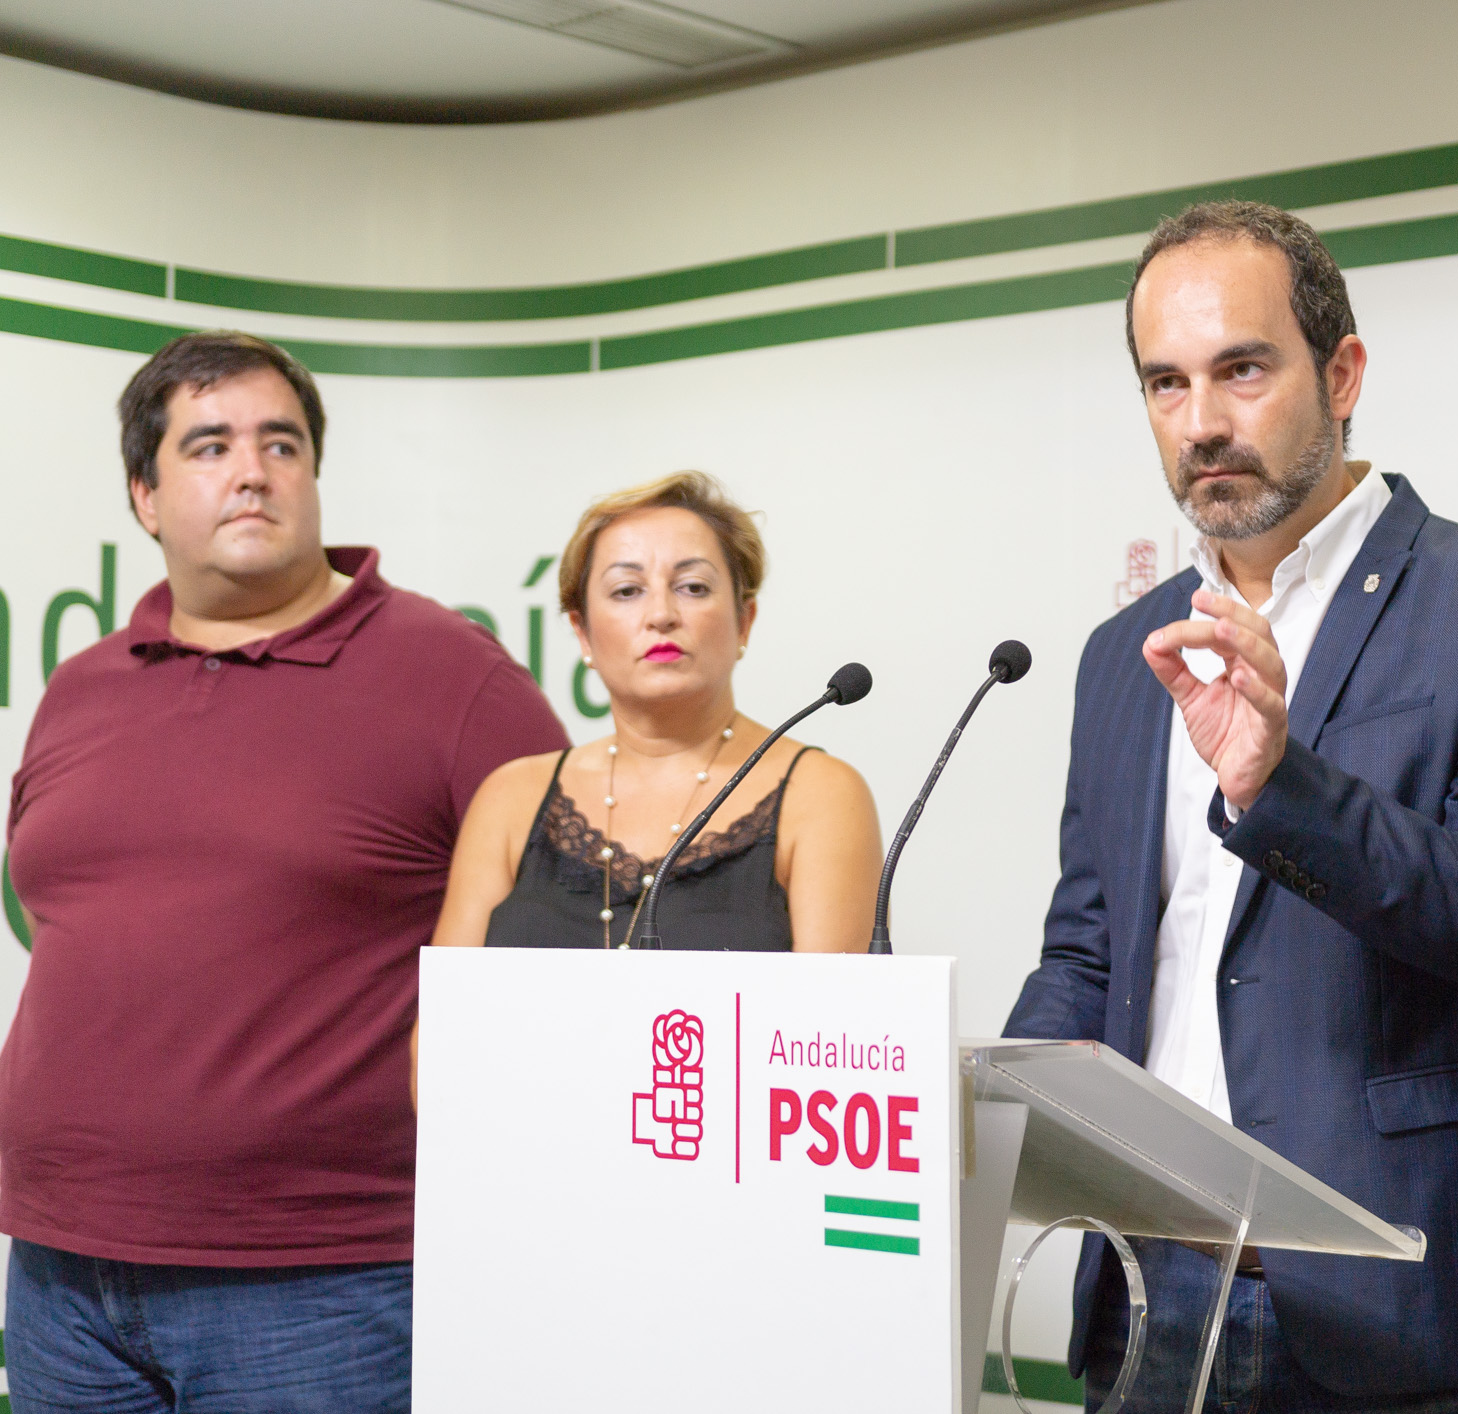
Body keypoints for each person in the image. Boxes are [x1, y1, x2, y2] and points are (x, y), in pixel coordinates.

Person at [1005, 201, 1458, 1412]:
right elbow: (1090, 947)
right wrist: (996, 1093)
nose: (1202, 422)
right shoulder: (1122, 651)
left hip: (1414, 1305)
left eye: (1242, 369)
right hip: (1150, 1288)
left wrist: (1282, 787)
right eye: (1166, 383)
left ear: (1342, 373)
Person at [0, 331, 567, 1413]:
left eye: (282, 444)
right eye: (209, 445)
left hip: (325, 1283)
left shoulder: (453, 676)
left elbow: (574, 932)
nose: (252, 471)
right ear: (145, 496)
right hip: (62, 1274)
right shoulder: (81, 687)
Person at [427, 472, 881, 956]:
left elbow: (833, 1007)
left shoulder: (822, 795)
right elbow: (445, 1006)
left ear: (744, 621)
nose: (661, 614)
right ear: (582, 632)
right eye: (627, 590)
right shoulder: (510, 798)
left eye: (693, 587)